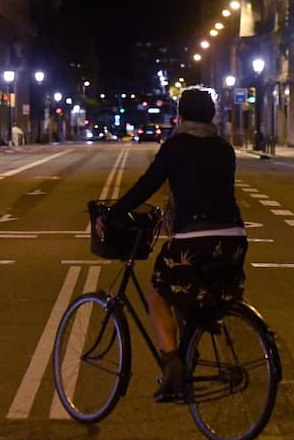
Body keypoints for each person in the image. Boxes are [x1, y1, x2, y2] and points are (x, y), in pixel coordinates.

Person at [94, 86, 247, 403]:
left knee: (159, 292)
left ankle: (174, 367)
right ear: (212, 116)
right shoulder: (224, 148)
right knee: (192, 290)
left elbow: (146, 186)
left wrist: (113, 214)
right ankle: (189, 350)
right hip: (234, 239)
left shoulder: (176, 147)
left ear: (181, 116)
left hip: (193, 238)